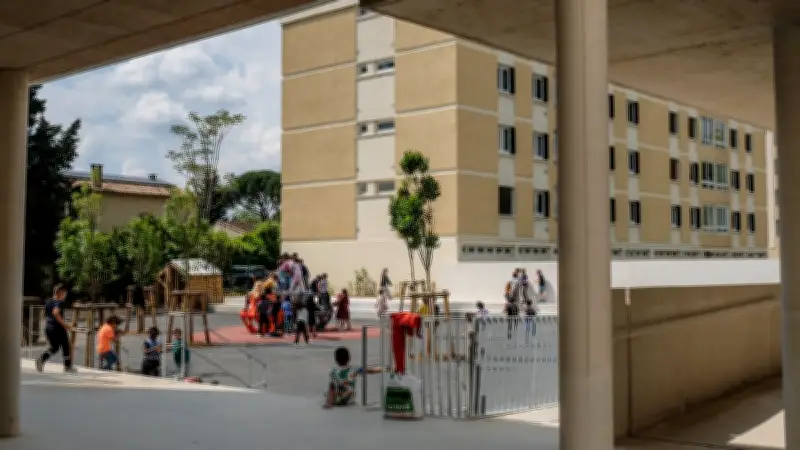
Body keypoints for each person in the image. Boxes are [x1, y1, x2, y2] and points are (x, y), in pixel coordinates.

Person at [36, 284, 76, 373]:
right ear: (60, 293)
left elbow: (43, 314)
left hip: (48, 328)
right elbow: (56, 312)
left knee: (54, 347)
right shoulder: (59, 302)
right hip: (58, 328)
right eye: (64, 294)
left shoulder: (48, 301)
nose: (65, 296)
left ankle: (42, 359)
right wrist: (66, 325)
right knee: (66, 346)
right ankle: (68, 367)